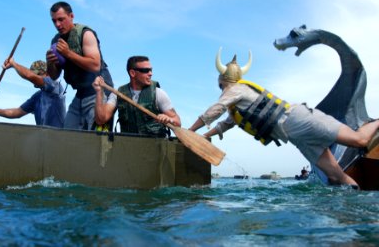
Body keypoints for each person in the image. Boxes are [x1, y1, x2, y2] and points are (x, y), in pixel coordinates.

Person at [188, 47, 379, 188]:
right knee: (336, 178)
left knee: (359, 140)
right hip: (297, 138)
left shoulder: (235, 89)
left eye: (221, 86)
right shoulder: (237, 106)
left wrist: (191, 130)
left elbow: (215, 110)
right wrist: (203, 137)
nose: (221, 90)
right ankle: (357, 216)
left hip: (299, 119)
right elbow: (225, 124)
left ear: (222, 81)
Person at [46, 1, 113, 131]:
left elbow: (95, 66)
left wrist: (68, 53)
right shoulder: (56, 41)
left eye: (61, 19)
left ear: (71, 16)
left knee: (97, 139)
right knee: (67, 135)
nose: (57, 24)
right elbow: (54, 76)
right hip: (80, 94)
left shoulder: (85, 34)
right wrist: (50, 63)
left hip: (99, 92)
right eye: (54, 21)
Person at [92, 55, 181, 137]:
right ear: (132, 73)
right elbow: (101, 119)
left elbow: (178, 123)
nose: (150, 73)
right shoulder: (118, 94)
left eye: (151, 70)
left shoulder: (158, 93)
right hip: (128, 147)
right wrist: (99, 92)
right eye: (145, 70)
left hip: (154, 147)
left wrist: (169, 119)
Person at [0, 59, 66, 127]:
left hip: (58, 137)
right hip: (43, 138)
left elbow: (29, 76)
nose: (35, 78)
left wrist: (13, 64)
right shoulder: (37, 97)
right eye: (34, 74)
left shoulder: (55, 85)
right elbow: (16, 113)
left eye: (38, 74)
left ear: (48, 74)